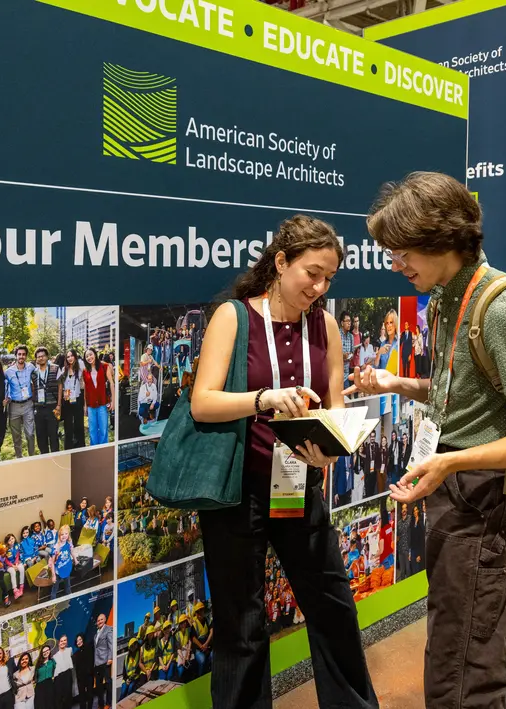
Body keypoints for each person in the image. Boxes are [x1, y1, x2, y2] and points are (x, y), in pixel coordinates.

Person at [347, 171, 506, 709]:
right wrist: (397, 383)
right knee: (483, 635)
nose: (396, 265)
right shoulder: (447, 299)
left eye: (402, 252)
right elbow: (465, 394)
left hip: (486, 500)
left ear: (441, 239)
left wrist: (452, 464)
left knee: (460, 666)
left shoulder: (503, 310)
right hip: (460, 491)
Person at [189, 214, 378, 709]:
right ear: (280, 262)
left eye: (329, 278)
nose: (319, 287)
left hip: (299, 485)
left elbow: (335, 404)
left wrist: (332, 444)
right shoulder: (234, 317)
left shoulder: (325, 324)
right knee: (242, 626)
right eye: (312, 273)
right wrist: (264, 399)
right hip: (236, 491)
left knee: (333, 607)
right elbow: (202, 403)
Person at [6, 345, 37, 458]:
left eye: (24, 354)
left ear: (26, 356)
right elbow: (3, 385)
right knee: (16, 436)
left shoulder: (31, 367)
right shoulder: (8, 372)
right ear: (16, 356)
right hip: (14, 406)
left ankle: (32, 456)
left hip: (28, 404)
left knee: (30, 434)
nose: (21, 356)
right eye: (19, 354)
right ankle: (19, 457)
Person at [30, 347, 61, 455]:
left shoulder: (55, 368)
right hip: (38, 408)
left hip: (52, 406)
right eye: (38, 357)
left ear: (47, 357)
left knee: (53, 434)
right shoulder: (34, 373)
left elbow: (60, 386)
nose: (41, 358)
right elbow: (33, 389)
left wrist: (59, 405)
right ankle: (44, 456)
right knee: (40, 435)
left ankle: (55, 457)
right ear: (36, 359)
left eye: (43, 356)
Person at [83, 348, 114, 445]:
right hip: (91, 404)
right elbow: (86, 389)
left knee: (103, 429)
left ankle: (103, 449)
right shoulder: (85, 371)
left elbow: (112, 383)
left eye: (90, 354)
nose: (89, 357)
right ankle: (94, 449)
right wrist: (85, 405)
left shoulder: (104, 366)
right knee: (92, 430)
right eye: (87, 356)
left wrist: (113, 401)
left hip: (102, 403)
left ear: (95, 354)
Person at [93, 613, 113, 709]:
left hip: (105, 660)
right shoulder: (96, 633)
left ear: (105, 620)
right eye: (98, 620)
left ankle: (108, 703)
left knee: (108, 683)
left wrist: (110, 658)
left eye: (101, 619)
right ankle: (100, 704)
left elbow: (111, 644)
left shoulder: (108, 629)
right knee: (99, 685)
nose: (99, 621)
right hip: (97, 663)